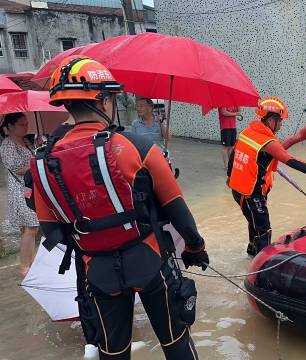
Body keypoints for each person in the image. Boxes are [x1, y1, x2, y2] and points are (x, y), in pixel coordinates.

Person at [31, 56, 208, 360]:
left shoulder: (42, 163)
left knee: (113, 353)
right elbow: (178, 210)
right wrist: (196, 247)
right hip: (150, 261)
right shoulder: (135, 146)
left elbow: (51, 230)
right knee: (176, 342)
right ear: (104, 99)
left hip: (97, 271)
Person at [227, 97, 306, 256]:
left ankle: (251, 257)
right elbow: (292, 161)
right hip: (250, 193)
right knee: (264, 230)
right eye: (279, 121)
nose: (280, 125)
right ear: (270, 119)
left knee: (254, 225)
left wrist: (229, 177)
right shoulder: (267, 141)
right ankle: (261, 269)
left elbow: (233, 156)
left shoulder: (248, 132)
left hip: (238, 188)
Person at [0, 112, 39, 276]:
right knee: (31, 227)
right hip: (21, 191)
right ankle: (24, 266)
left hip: (30, 189)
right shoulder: (7, 146)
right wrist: (36, 163)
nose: (26, 127)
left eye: (26, 124)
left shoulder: (27, 142)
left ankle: (29, 263)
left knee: (29, 229)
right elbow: (17, 169)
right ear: (10, 127)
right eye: (22, 124)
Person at [218, 106, 241, 171]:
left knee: (231, 147)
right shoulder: (222, 102)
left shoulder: (233, 103)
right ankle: (226, 165)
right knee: (225, 147)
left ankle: (231, 164)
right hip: (225, 127)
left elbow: (239, 111)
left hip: (233, 127)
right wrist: (235, 114)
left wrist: (238, 104)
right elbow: (224, 112)